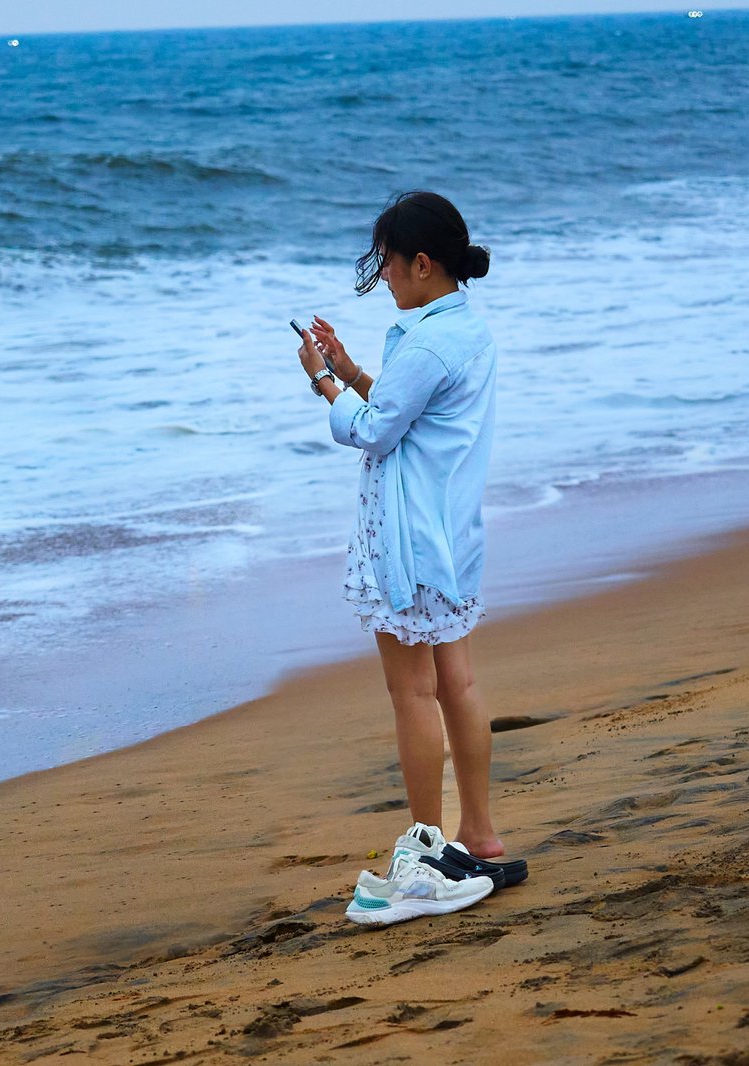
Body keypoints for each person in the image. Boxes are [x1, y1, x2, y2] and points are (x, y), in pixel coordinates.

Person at [295, 190, 524, 926]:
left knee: (413, 693)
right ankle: (478, 835)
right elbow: (404, 412)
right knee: (457, 681)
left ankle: (427, 848)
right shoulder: (465, 330)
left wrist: (322, 381)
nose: (384, 277)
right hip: (450, 533)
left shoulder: (425, 343)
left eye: (389, 264)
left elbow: (374, 430)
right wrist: (353, 369)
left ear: (422, 264)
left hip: (409, 540)